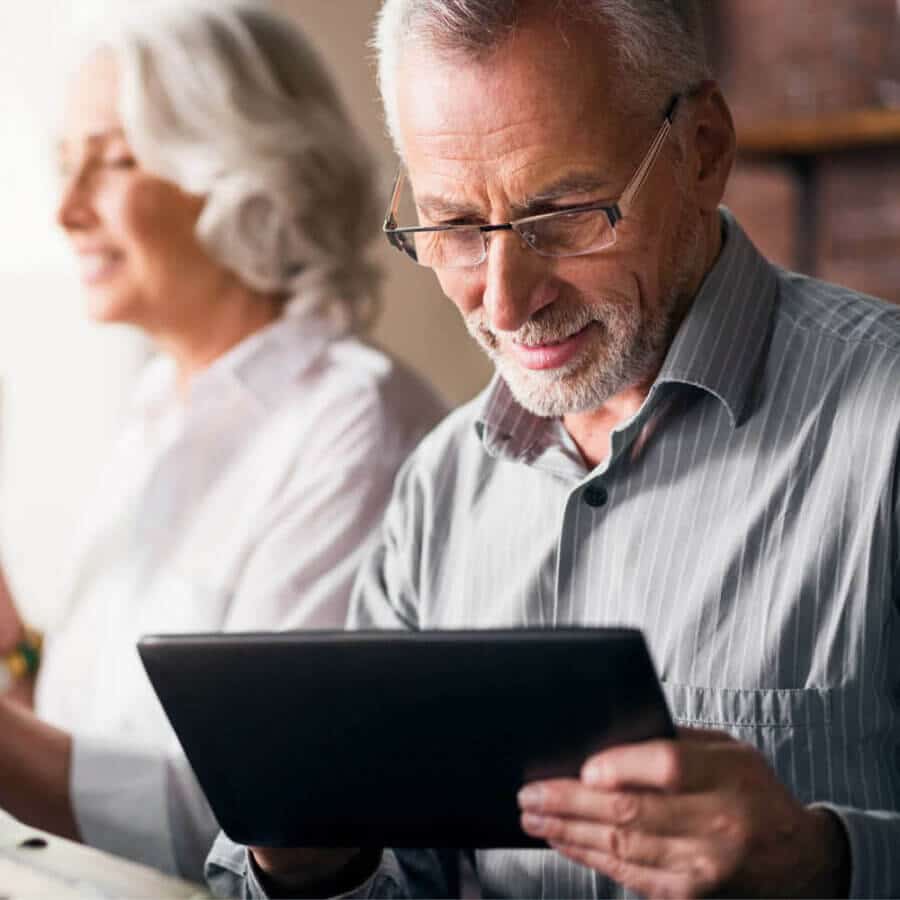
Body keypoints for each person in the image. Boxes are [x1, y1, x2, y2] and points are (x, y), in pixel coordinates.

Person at [208, 0, 900, 896]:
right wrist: (314, 863)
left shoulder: (882, 431)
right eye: (455, 228)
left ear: (703, 150)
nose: (503, 303)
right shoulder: (441, 487)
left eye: (565, 214)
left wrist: (826, 864)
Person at [0, 0, 444, 883]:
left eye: (115, 161)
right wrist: (16, 663)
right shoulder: (161, 403)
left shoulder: (354, 430)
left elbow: (274, 820)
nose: (67, 212)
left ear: (247, 174)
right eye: (65, 167)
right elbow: (107, 731)